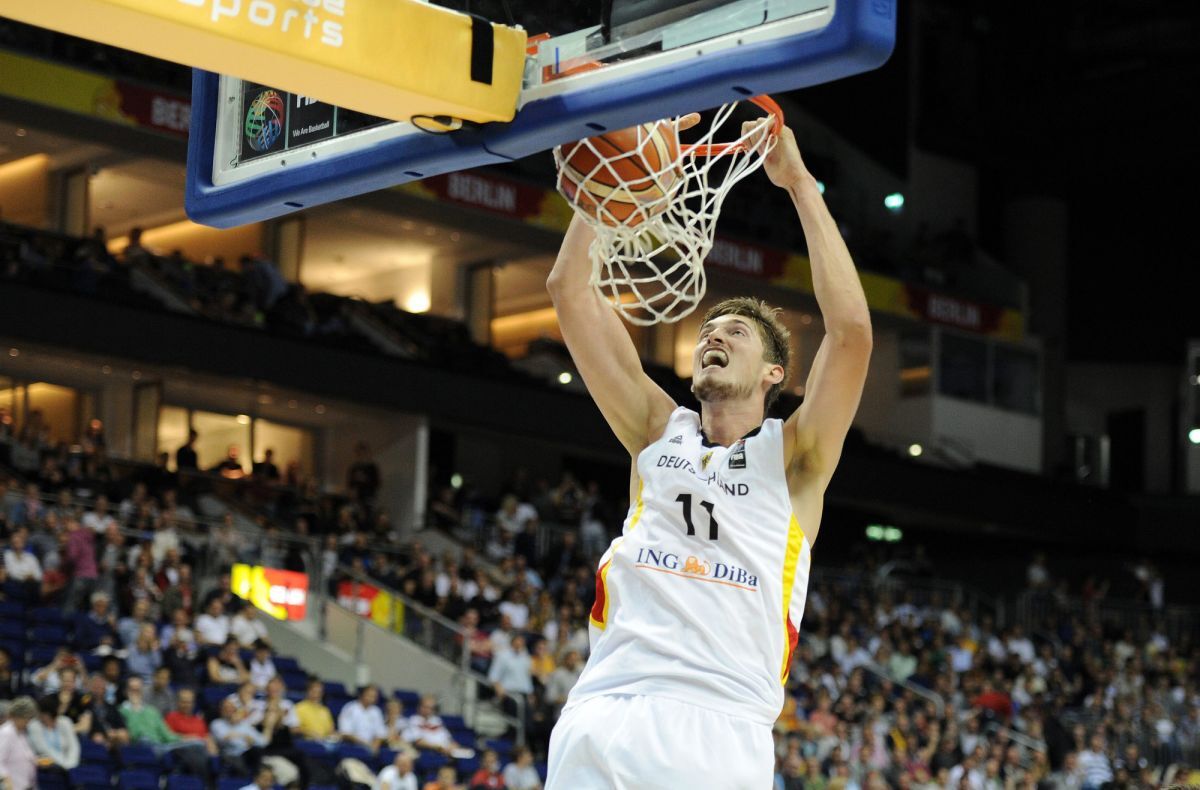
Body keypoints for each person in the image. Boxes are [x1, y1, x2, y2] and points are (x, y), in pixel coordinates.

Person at [543, 120, 872, 789]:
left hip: (716, 727)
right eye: (709, 330)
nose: (714, 336)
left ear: (775, 373)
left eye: (737, 332)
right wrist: (607, 183)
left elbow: (852, 333)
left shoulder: (796, 457)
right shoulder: (655, 429)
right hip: (602, 707)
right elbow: (567, 290)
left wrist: (799, 184)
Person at [26, 695, 80, 773]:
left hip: (69, 767)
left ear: (49, 714)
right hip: (47, 769)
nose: (40, 716)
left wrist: (71, 764)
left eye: (43, 714)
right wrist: (63, 764)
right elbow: (42, 748)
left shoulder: (65, 722)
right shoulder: (34, 725)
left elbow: (73, 746)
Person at [0, 696, 37, 790]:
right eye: (26, 719)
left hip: (25, 784)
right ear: (17, 716)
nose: (28, 722)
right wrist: (6, 780)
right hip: (12, 785)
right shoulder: (6, 733)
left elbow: (24, 755)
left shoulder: (22, 732)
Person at [337, 685, 388, 752]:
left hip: (371, 747)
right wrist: (366, 744)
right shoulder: (350, 708)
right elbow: (346, 733)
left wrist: (374, 747)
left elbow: (380, 733)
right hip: (352, 746)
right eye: (370, 695)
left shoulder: (376, 711)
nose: (372, 698)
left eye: (374, 696)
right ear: (362, 695)